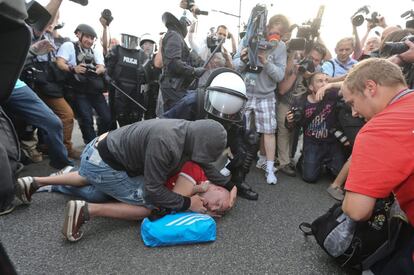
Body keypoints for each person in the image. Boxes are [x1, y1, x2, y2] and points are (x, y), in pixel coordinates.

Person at [16, 119, 231, 224]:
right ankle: (85, 210)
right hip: (103, 164)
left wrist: (230, 185)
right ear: (199, 143)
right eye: (219, 205)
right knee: (150, 205)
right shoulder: (167, 144)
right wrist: (188, 203)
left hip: (98, 151)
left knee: (93, 181)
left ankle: (37, 182)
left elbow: (205, 165)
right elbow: (154, 190)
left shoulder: (187, 131)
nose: (217, 208)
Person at [17, 160, 234, 241]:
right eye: (219, 203)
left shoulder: (199, 194)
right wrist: (197, 195)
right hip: (131, 174)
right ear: (215, 187)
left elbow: (172, 208)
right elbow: (175, 201)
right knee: (94, 184)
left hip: (137, 185)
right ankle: (51, 181)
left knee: (96, 192)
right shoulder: (196, 172)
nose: (215, 208)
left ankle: (50, 183)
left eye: (219, 211)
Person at [341, 58, 414, 273]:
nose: (353, 113)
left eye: (352, 103)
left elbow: (356, 210)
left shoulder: (378, 128)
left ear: (370, 87)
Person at [163, 68, 259, 200]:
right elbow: (165, 124)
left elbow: (240, 141)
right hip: (187, 141)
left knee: (245, 146)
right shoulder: (192, 102)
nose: (224, 113)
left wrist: (239, 156)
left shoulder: (238, 114)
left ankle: (237, 180)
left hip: (222, 136)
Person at [234, 14, 289, 185]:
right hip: (245, 92)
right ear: (265, 28)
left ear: (283, 35)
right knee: (236, 129)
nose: (273, 36)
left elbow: (280, 75)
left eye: (278, 34)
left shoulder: (280, 48)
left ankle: (270, 168)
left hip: (266, 96)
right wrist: (243, 59)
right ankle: (232, 163)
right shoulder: (250, 38)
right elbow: (235, 65)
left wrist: (266, 62)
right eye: (271, 32)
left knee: (269, 131)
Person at [277, 42, 327, 177]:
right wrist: (298, 72)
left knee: (293, 132)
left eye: (316, 60)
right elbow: (282, 90)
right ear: (305, 54)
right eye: (311, 57)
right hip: (286, 102)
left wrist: (312, 77)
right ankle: (283, 163)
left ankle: (289, 159)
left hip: (302, 105)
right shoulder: (295, 64)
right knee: (284, 129)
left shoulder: (319, 74)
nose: (313, 62)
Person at [56, 23, 111, 144]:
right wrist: (73, 68)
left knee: (107, 117)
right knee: (86, 120)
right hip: (78, 91)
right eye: (87, 37)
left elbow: (102, 66)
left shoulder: (95, 50)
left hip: (95, 90)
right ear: (78, 34)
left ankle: (100, 142)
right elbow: (60, 63)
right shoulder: (69, 46)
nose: (90, 41)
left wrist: (100, 69)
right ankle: (90, 145)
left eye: (92, 38)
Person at [286, 72, 344, 183]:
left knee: (339, 175)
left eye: (326, 80)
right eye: (320, 81)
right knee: (309, 178)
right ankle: (304, 160)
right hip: (313, 143)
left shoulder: (332, 94)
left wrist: (331, 85)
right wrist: (289, 121)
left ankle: (326, 163)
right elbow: (291, 127)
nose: (324, 83)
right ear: (311, 87)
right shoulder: (301, 102)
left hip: (331, 143)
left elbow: (351, 85)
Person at [159, 11, 206, 111]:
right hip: (174, 87)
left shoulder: (175, 36)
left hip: (176, 86)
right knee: (176, 120)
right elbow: (173, 63)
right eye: (187, 25)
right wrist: (193, 71)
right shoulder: (174, 36)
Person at [106, 32, 148, 126]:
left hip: (135, 94)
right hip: (118, 92)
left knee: (134, 121)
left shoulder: (141, 54)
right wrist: (107, 77)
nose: (130, 42)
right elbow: (108, 70)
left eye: (133, 39)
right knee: (118, 118)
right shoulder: (116, 50)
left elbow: (145, 77)